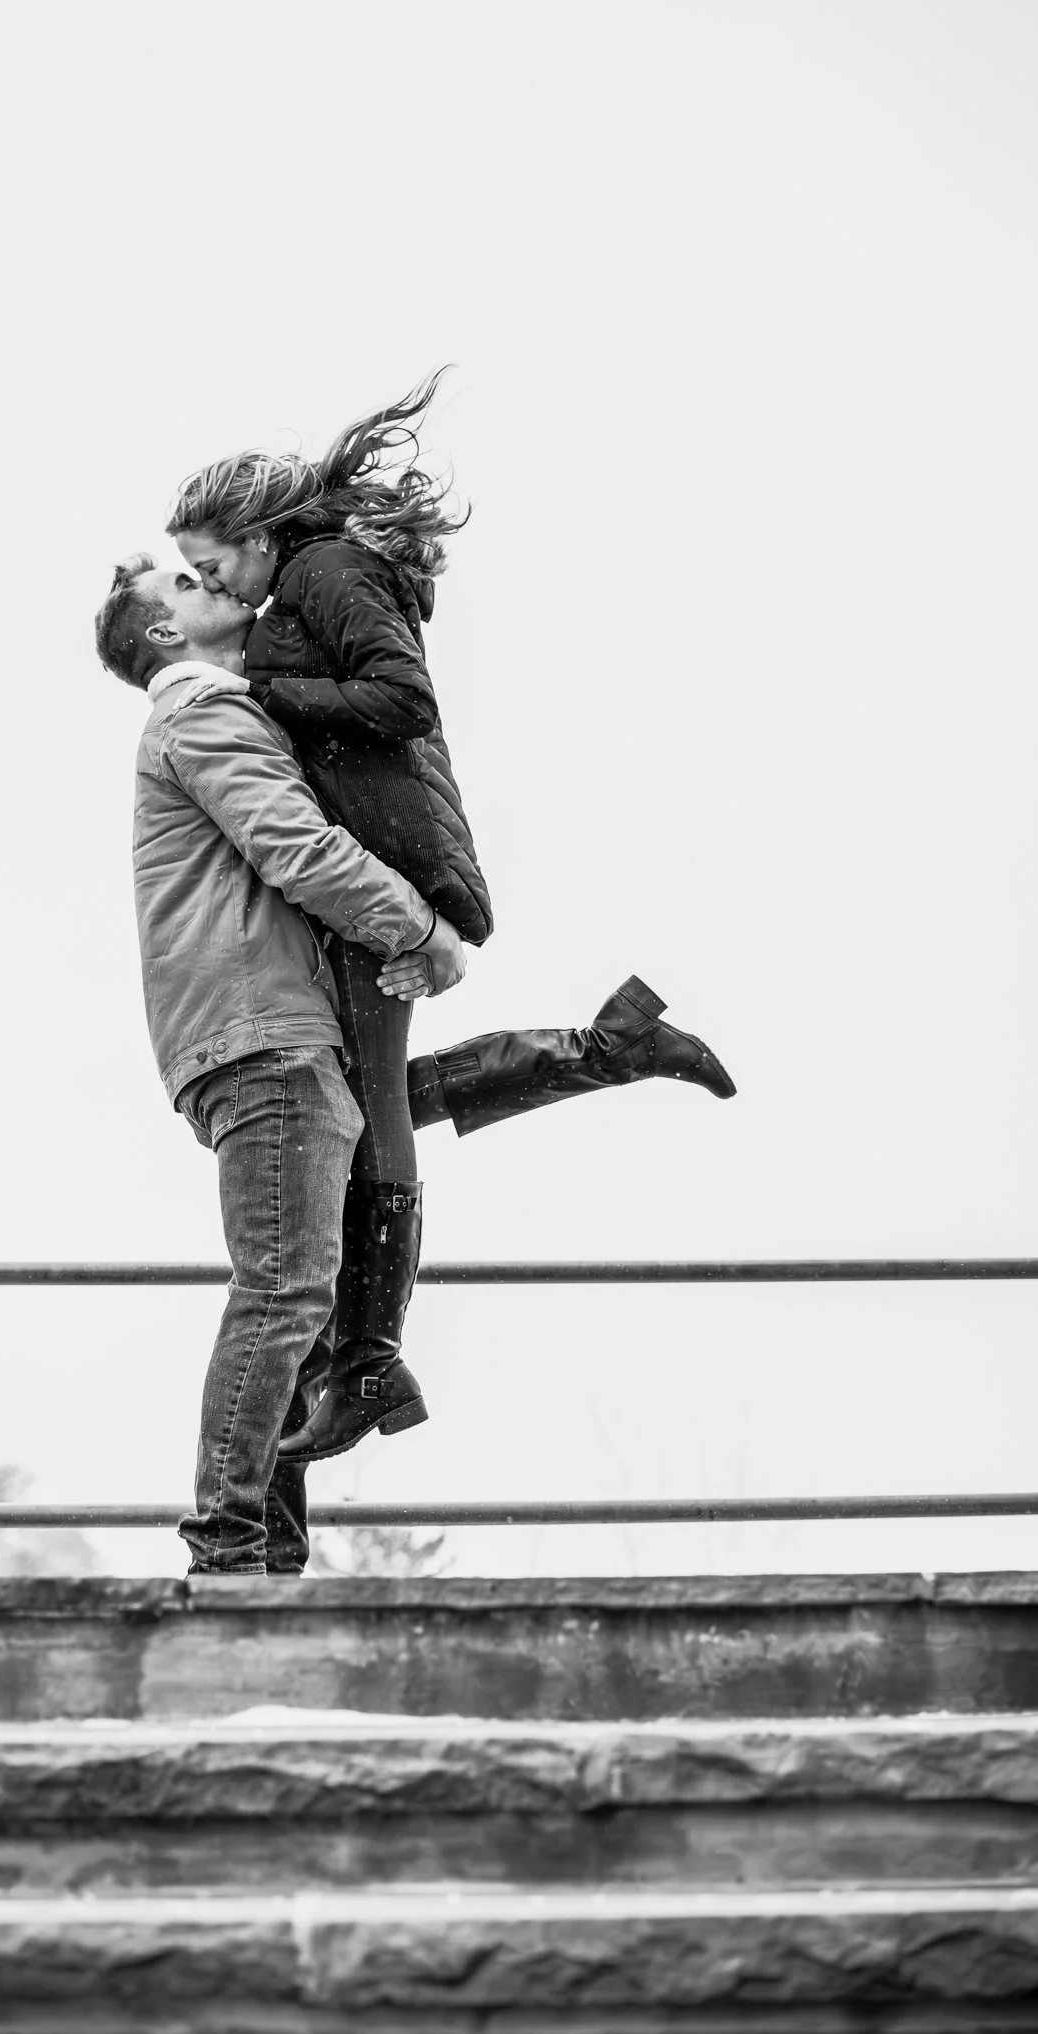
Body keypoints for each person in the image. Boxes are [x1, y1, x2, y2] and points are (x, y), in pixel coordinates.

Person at [163, 375, 735, 1473]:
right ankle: (606, 1048)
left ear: (254, 533)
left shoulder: (324, 572)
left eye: (211, 558)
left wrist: (271, 700)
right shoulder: (312, 584)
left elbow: (403, 699)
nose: (210, 580)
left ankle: (371, 1356)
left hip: (392, 872)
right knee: (357, 1115)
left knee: (364, 1119)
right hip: (390, 867)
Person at [95, 553, 463, 1574]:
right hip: (263, 1034)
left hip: (269, 1028)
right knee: (285, 1289)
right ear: (162, 632)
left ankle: (272, 1555)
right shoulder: (202, 714)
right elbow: (295, 844)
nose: (203, 577)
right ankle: (226, 1552)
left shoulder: (218, 708)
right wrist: (419, 929)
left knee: (297, 1298)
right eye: (180, 581)